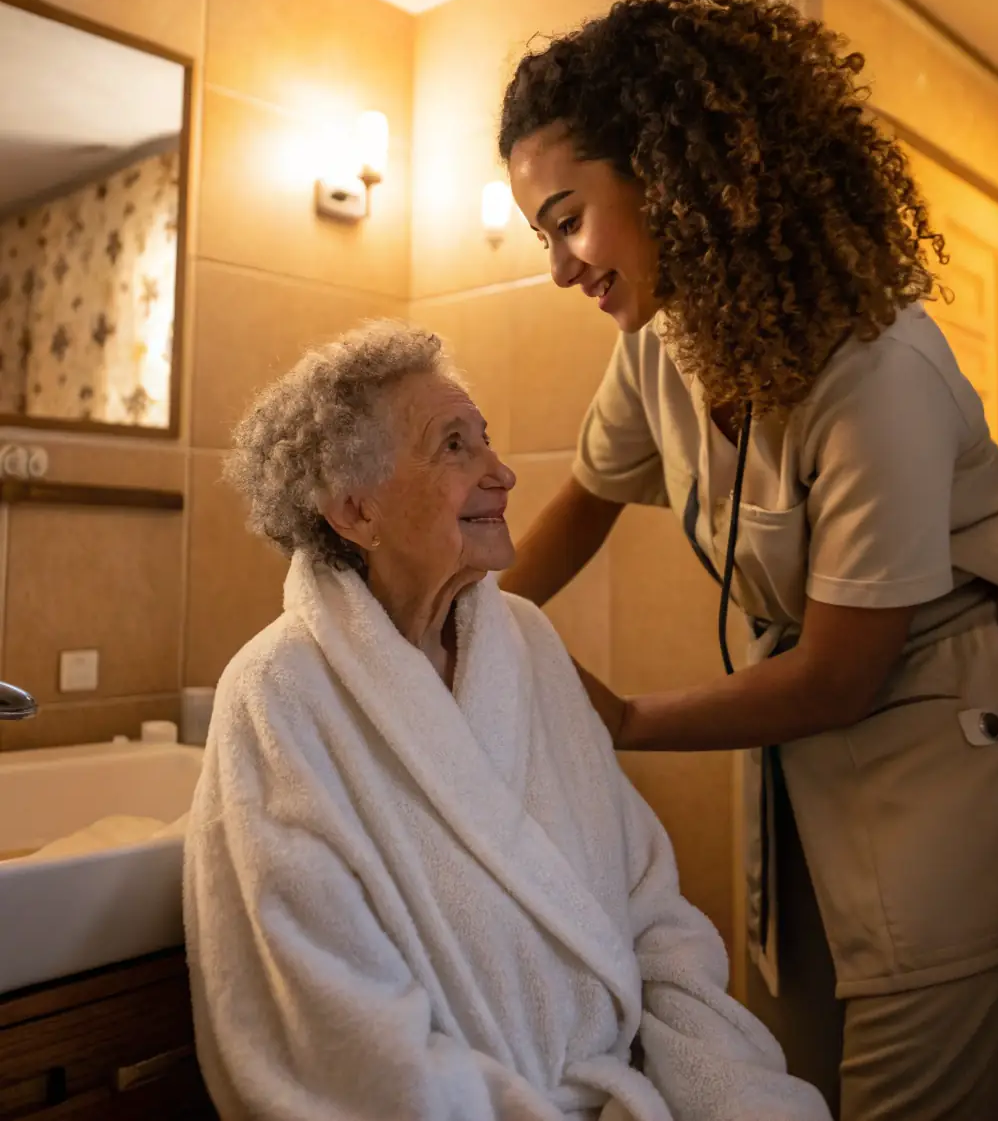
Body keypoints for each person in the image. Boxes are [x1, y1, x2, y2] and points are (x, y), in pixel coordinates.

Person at [497, 0, 998, 1121]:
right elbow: (580, 506)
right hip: (804, 756)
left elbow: (843, 671)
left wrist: (623, 721)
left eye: (566, 218)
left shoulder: (875, 370)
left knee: (912, 1083)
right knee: (794, 1069)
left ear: (666, 173)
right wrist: (448, 612)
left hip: (944, 746)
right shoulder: (662, 342)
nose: (559, 265)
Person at [184, 320, 827, 1121]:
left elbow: (653, 912)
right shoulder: (277, 697)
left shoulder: (526, 642)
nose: (504, 472)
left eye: (485, 439)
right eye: (455, 447)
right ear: (355, 510)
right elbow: (339, 1041)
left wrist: (735, 1094)